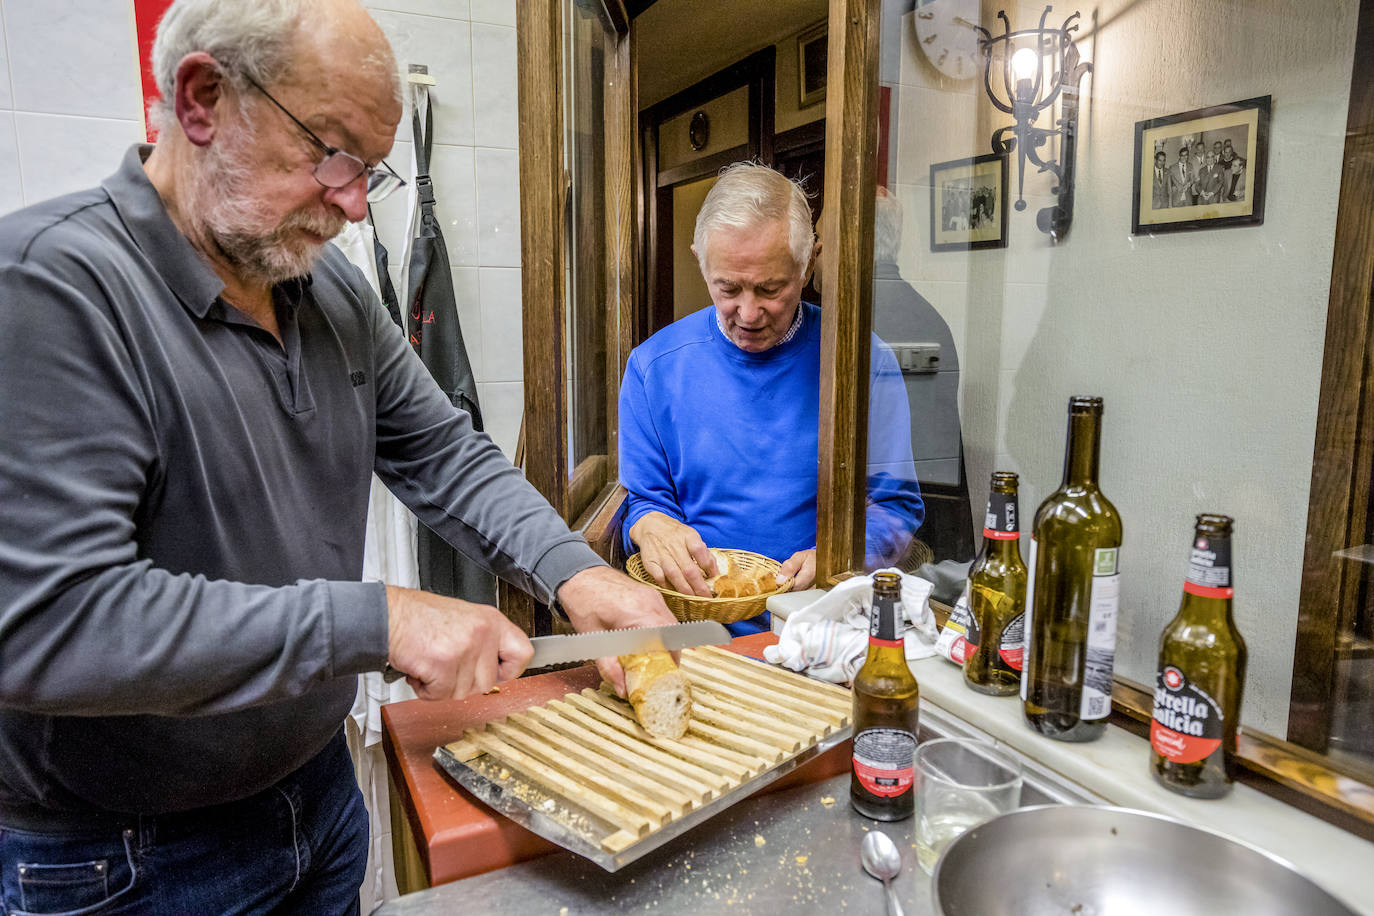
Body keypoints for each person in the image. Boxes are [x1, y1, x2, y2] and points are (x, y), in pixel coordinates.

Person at [0, 1, 673, 913]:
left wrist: (570, 572)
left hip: (316, 798)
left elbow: (445, 454)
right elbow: (52, 623)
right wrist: (379, 621)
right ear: (202, 100)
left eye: (371, 171)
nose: (355, 203)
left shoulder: (328, 289)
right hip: (125, 857)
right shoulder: (51, 289)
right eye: (334, 155)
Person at [618, 163, 925, 635]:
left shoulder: (864, 361)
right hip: (698, 628)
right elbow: (646, 501)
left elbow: (897, 506)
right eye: (727, 288)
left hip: (823, 624)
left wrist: (840, 557)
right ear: (700, 258)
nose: (748, 312)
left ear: (809, 264)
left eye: (770, 289)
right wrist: (648, 525)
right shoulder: (653, 367)